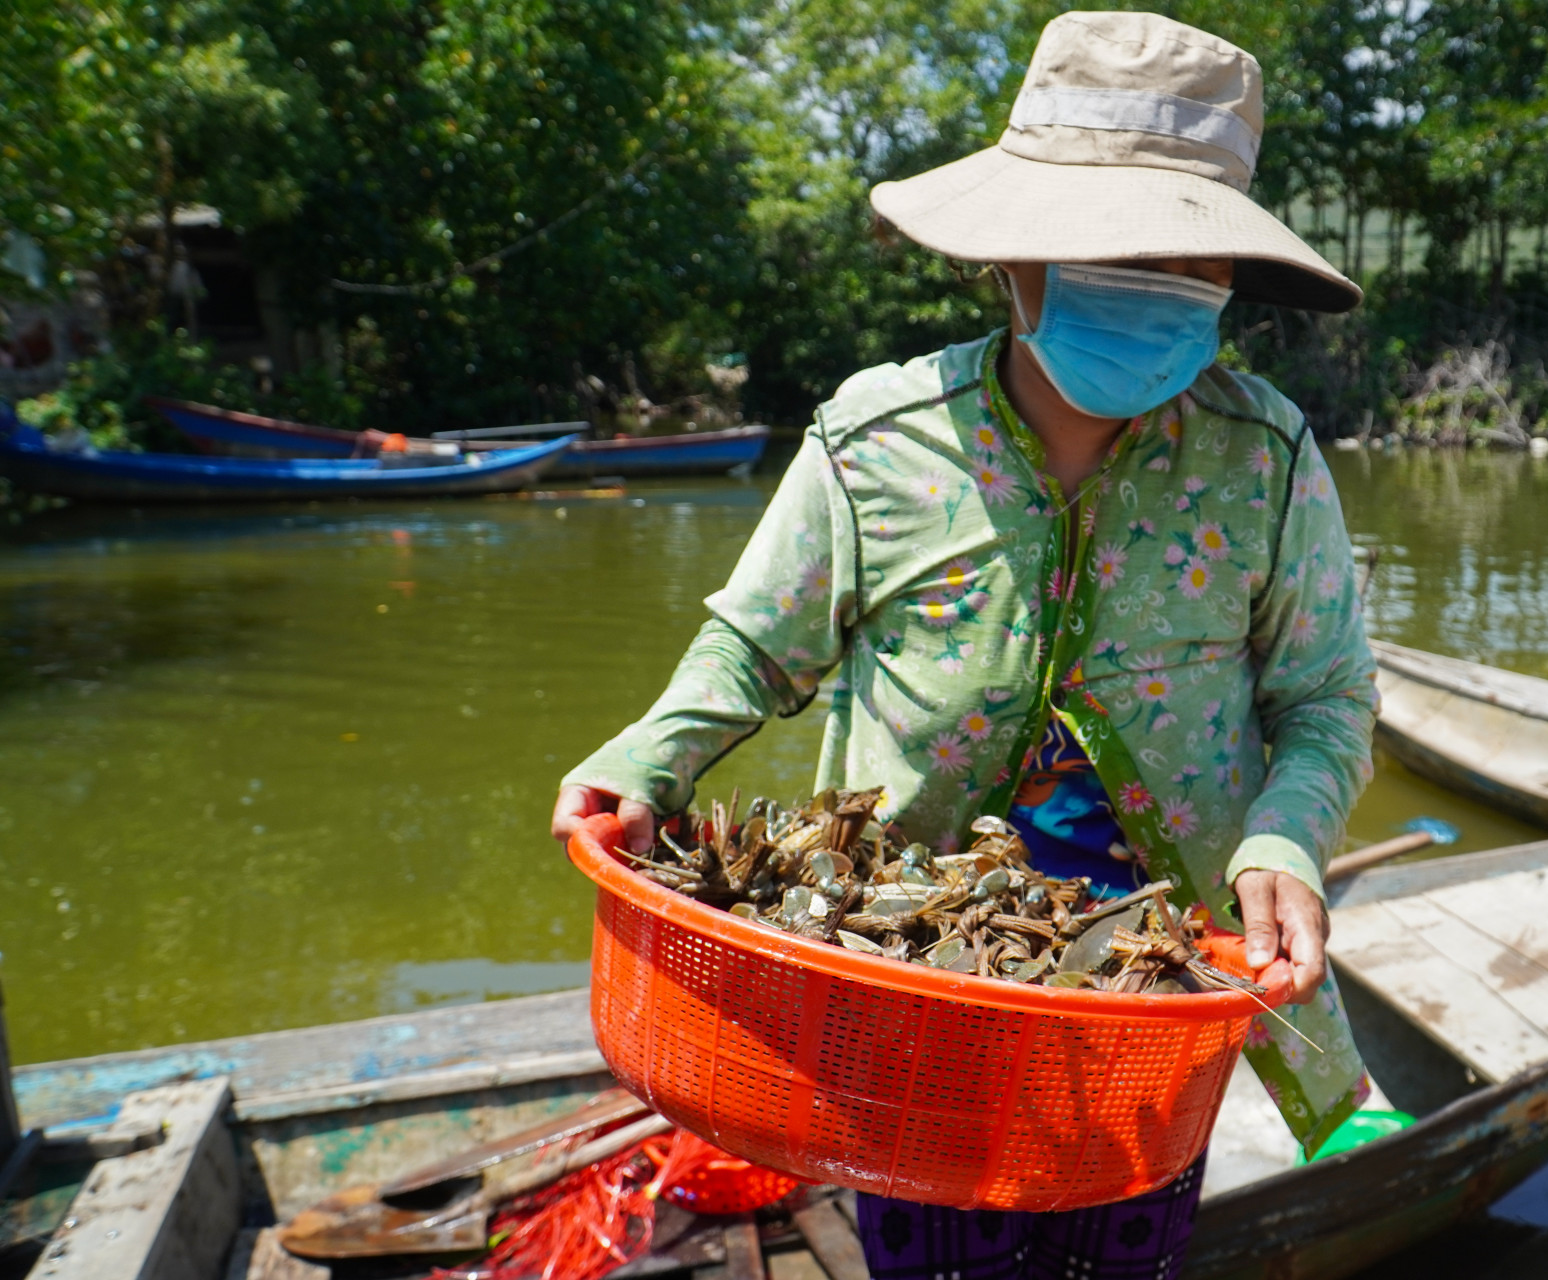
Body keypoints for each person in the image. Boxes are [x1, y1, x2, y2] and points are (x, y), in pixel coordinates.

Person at [552, 11, 1376, 1277]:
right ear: (1013, 257)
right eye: (1118, 249)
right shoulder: (877, 438)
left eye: (1187, 257)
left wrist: (1286, 838)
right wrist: (651, 757)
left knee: (1128, 1250)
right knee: (926, 1248)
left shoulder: (1263, 455)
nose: (1156, 277)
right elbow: (752, 650)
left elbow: (1325, 698)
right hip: (907, 983)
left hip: (1152, 1002)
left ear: (1230, 273)